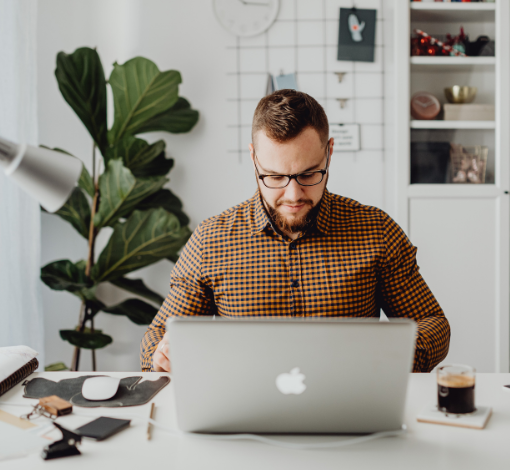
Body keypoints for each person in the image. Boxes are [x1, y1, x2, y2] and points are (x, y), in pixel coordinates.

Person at [139, 89, 449, 372]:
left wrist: (395, 355)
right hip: (243, 415)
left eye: (309, 174)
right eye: (274, 177)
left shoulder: (376, 231)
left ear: (329, 152)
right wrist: (161, 353)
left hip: (350, 411)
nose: (293, 195)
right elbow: (159, 334)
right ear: (253, 158)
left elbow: (433, 324)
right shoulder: (211, 240)